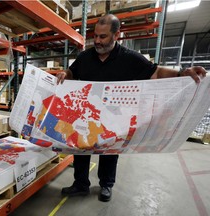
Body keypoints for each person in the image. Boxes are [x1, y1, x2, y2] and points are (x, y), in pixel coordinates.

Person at [56, 14, 206, 202]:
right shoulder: (85, 56)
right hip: (87, 113)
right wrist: (65, 73)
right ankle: (80, 184)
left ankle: (106, 185)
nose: (97, 41)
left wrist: (182, 72)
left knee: (110, 151)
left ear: (116, 35)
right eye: (95, 36)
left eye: (102, 37)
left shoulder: (129, 58)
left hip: (114, 116)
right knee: (80, 147)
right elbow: (72, 71)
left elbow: (156, 72)